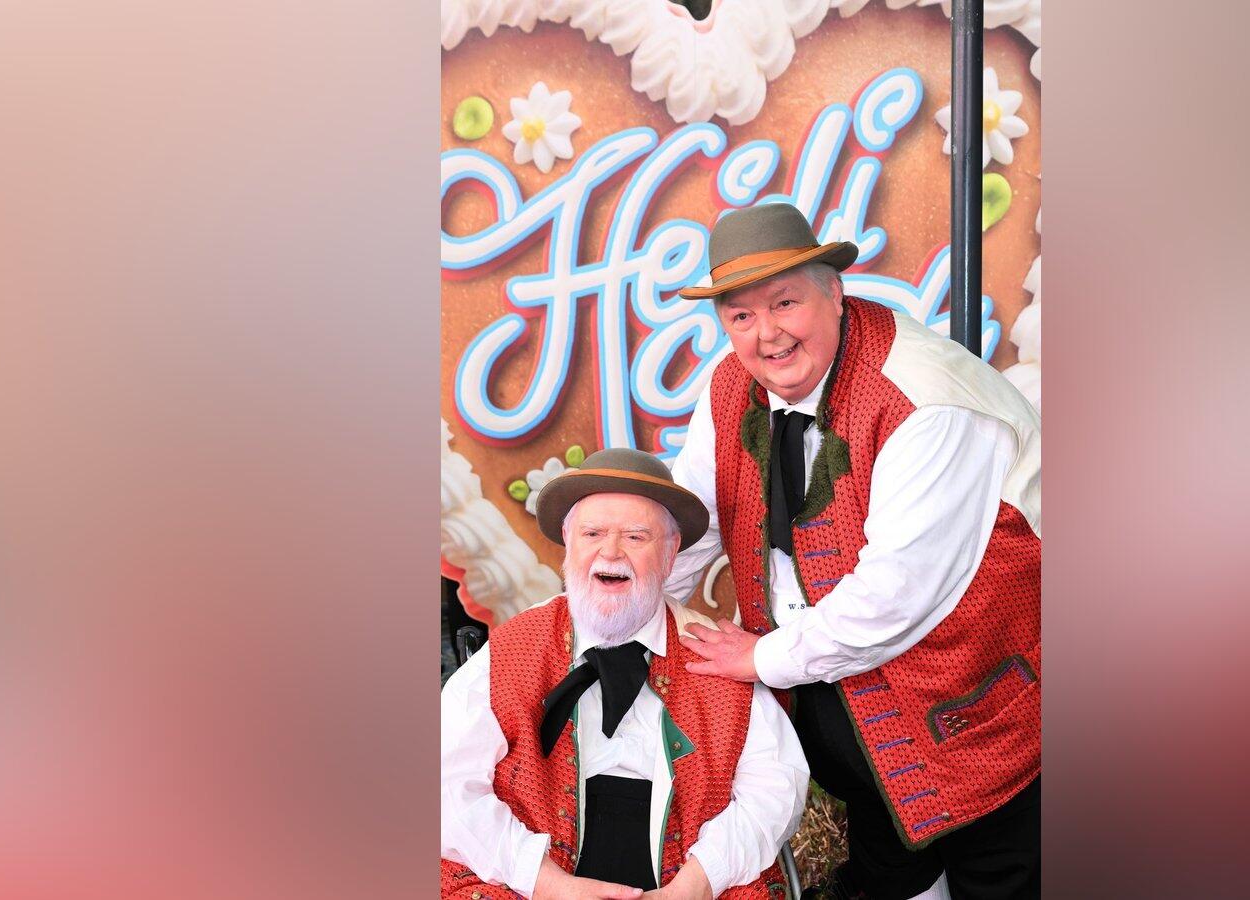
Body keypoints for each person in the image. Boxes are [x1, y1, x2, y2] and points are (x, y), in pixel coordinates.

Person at [664, 203, 1043, 899]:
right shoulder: (730, 386)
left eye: (785, 303)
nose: (767, 334)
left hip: (984, 708)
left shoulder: (924, 399)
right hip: (854, 707)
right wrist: (628, 596)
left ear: (835, 292)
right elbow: (692, 518)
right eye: (741, 316)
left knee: (1000, 874)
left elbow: (895, 596)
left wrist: (759, 659)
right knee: (889, 863)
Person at [441, 448, 809, 900]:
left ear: (670, 554)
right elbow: (446, 783)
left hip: (687, 876)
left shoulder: (716, 652)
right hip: (533, 875)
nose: (610, 552)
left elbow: (776, 787)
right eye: (592, 533)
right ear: (568, 542)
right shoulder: (515, 649)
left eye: (636, 536)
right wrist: (547, 884)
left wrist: (695, 884)